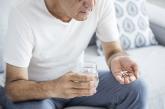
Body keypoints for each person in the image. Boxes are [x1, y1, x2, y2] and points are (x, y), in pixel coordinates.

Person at [4, 0, 147, 109]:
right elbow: (12, 89)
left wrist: (117, 58)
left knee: (136, 88)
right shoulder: (23, 14)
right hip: (34, 89)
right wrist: (54, 88)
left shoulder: (100, 3)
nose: (91, 5)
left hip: (78, 81)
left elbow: (113, 51)